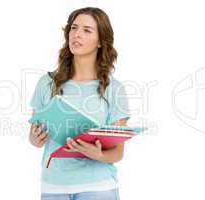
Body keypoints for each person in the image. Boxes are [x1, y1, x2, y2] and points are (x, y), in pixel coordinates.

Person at [29, 7, 131, 200]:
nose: (76, 34)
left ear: (101, 41)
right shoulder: (46, 83)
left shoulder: (114, 89)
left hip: (97, 186)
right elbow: (35, 135)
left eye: (87, 30)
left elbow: (118, 153)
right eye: (74, 28)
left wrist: (97, 154)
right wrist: (34, 139)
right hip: (53, 186)